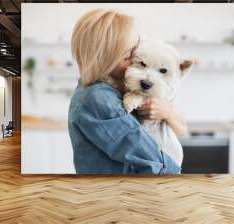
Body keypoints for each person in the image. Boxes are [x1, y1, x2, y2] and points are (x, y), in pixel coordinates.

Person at [68, 8, 187, 174]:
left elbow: (182, 128)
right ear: (104, 60)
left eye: (136, 50)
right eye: (128, 56)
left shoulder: (108, 89)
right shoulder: (99, 98)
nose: (135, 61)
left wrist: (168, 112)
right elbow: (149, 158)